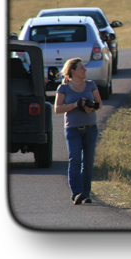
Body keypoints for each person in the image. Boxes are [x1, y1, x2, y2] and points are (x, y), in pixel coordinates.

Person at [55, 58, 102, 205]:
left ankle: (86, 194)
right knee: (75, 160)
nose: (85, 70)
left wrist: (92, 107)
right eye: (82, 68)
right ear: (73, 71)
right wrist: (75, 105)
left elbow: (99, 104)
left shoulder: (91, 85)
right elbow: (57, 109)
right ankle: (77, 193)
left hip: (90, 128)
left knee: (88, 162)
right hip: (73, 129)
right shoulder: (63, 88)